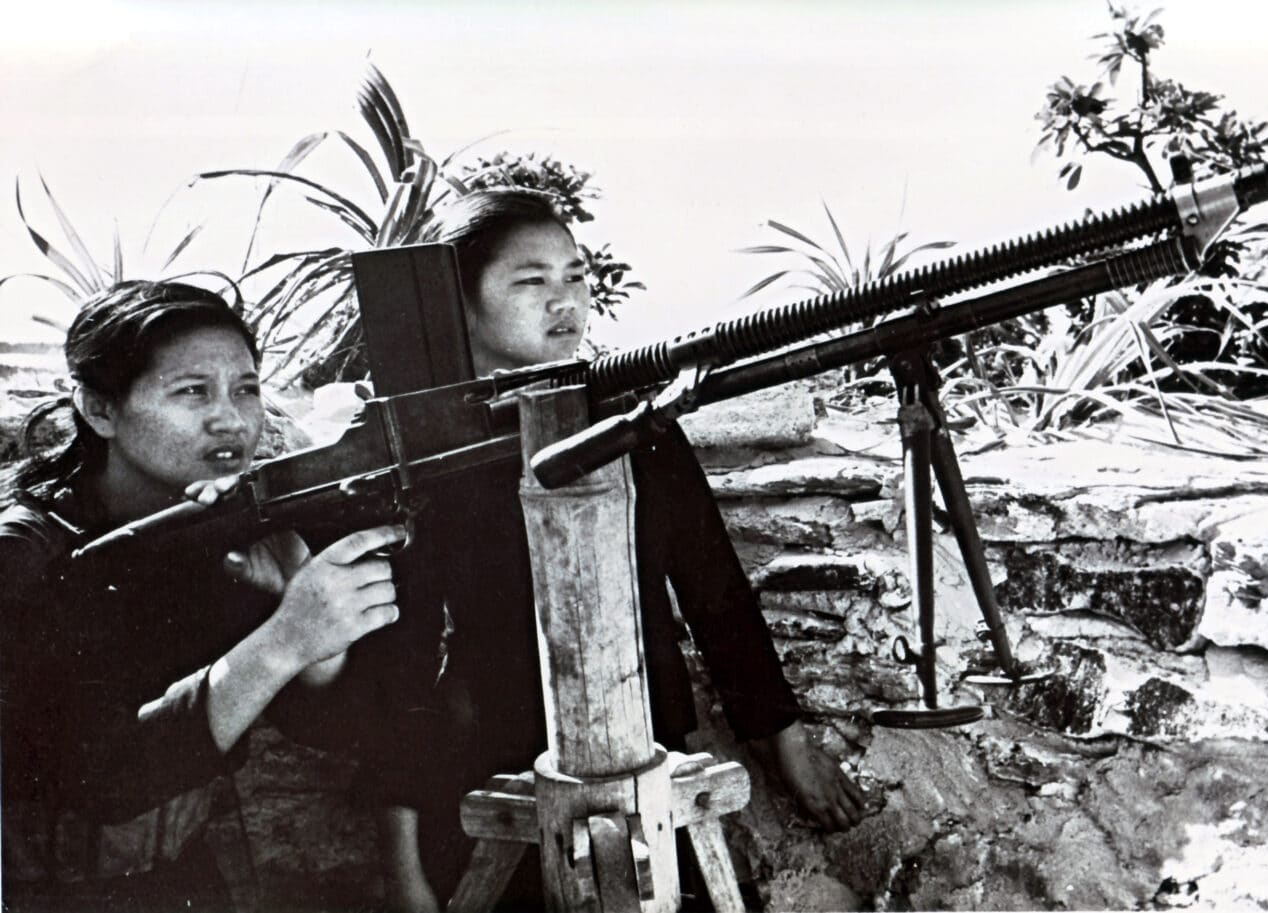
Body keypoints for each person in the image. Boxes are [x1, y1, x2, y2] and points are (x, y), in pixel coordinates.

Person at [353, 190, 865, 912]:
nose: (564, 301)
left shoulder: (633, 424)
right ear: (457, 304)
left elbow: (715, 591)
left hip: (647, 768)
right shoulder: (428, 457)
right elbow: (398, 663)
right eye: (531, 281)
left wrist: (786, 743)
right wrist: (402, 863)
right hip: (491, 786)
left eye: (576, 276)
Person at [0, 279, 403, 911]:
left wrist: (316, 641)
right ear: (98, 409)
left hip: (187, 883)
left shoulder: (208, 523)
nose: (231, 419)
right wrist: (282, 640)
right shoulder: (23, 555)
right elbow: (100, 778)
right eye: (192, 392)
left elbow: (327, 730)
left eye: (246, 390)